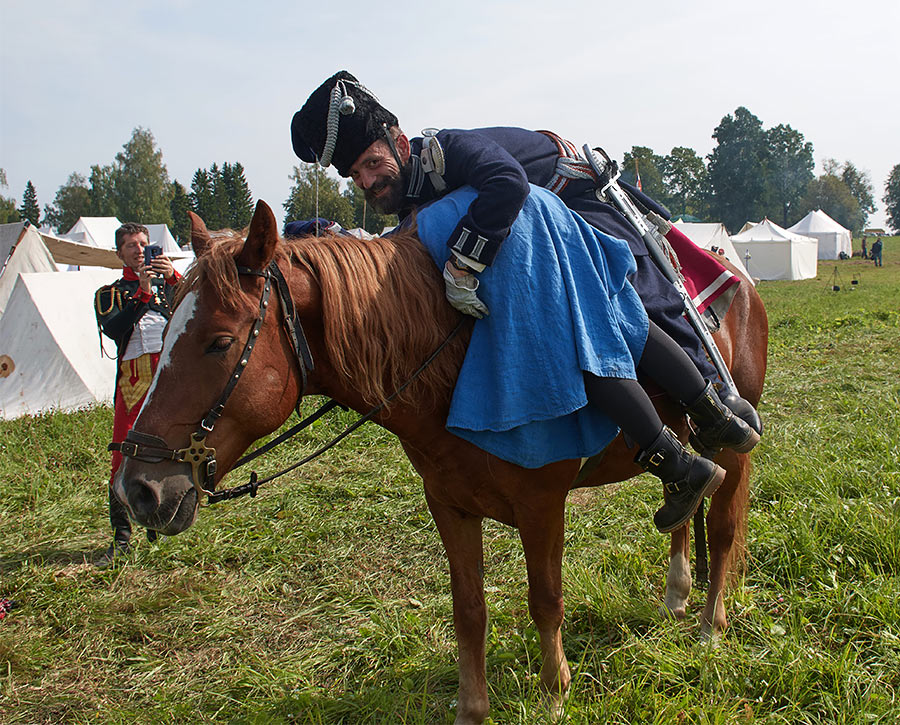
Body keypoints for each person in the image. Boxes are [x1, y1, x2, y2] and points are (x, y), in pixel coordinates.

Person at [289, 72, 761, 533]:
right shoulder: (416, 197)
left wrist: (462, 264)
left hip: (578, 207)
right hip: (536, 239)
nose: (368, 182)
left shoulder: (448, 151)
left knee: (627, 308)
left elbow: (507, 182)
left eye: (372, 164)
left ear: (402, 145)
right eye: (356, 176)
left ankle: (714, 403)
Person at [94, 223, 181, 565]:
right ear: (120, 253)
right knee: (123, 456)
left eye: (143, 243)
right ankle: (122, 534)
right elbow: (115, 328)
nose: (139, 249)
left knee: (167, 451)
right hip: (132, 383)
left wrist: (173, 278)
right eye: (130, 245)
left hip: (166, 379)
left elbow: (195, 307)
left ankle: (158, 521)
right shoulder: (109, 292)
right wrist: (143, 293)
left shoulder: (168, 285)